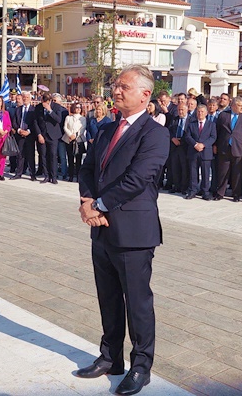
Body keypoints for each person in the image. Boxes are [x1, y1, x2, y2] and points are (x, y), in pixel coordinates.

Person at [76, 65, 170, 396]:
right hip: (101, 229)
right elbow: (87, 168)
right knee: (108, 297)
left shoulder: (154, 134)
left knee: (138, 302)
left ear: (145, 94)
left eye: (124, 86)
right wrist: (88, 201)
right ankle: (110, 358)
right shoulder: (105, 129)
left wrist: (99, 205)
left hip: (132, 233)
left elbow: (137, 179)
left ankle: (141, 366)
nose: (116, 90)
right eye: (116, 85)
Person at [215, 97, 242, 202]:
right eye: (240, 106)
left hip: (239, 148)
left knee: (238, 172)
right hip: (224, 147)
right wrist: (215, 145)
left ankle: (236, 193)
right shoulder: (223, 115)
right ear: (234, 106)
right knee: (223, 172)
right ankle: (220, 192)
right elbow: (218, 131)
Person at [184, 104, 216, 200]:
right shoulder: (191, 124)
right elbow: (187, 136)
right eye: (198, 111)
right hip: (193, 151)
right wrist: (195, 144)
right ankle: (193, 190)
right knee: (193, 172)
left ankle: (205, 191)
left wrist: (203, 145)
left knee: (205, 173)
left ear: (206, 113)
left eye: (202, 111)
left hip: (206, 152)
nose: (200, 113)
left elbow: (213, 137)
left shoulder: (211, 124)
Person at [33, 93, 64, 184]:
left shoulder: (56, 107)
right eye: (42, 102)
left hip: (53, 135)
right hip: (42, 135)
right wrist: (39, 134)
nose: (44, 104)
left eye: (45, 102)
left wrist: (50, 110)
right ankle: (46, 176)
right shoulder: (38, 107)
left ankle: (53, 176)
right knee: (43, 155)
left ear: (49, 101)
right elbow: (35, 122)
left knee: (53, 155)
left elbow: (58, 120)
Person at [10, 91, 37, 180]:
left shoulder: (34, 110)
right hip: (20, 134)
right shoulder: (18, 109)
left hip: (29, 135)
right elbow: (14, 121)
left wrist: (28, 131)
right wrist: (19, 130)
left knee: (30, 155)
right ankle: (18, 173)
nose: (25, 99)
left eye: (27, 97)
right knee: (20, 155)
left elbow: (35, 123)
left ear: (30, 99)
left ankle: (32, 174)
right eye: (24, 97)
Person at [168, 104, 190, 195]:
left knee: (184, 168)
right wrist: (173, 138)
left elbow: (191, 133)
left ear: (187, 110)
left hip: (185, 146)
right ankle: (176, 186)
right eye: (179, 110)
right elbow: (169, 130)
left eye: (182, 110)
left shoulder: (191, 120)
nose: (180, 112)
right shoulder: (175, 119)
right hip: (174, 145)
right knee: (175, 167)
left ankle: (184, 187)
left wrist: (182, 141)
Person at [63, 102, 87, 182]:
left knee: (78, 159)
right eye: (76, 107)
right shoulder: (68, 117)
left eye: (79, 107)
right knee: (70, 158)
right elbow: (65, 127)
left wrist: (75, 136)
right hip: (69, 140)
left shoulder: (83, 118)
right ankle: (70, 175)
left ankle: (78, 176)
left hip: (79, 140)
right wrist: (70, 135)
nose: (78, 109)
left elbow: (82, 129)